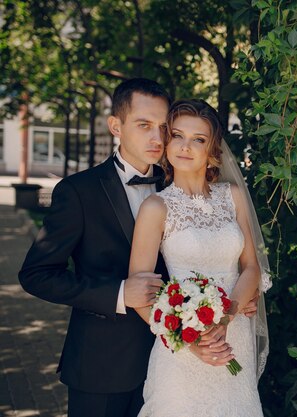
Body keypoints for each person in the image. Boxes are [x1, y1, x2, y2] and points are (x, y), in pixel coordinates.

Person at [18, 79, 259, 417]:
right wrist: (118, 294)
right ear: (115, 125)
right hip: (104, 363)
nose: (157, 138)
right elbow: (36, 275)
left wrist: (238, 299)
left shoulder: (178, 180)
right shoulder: (78, 191)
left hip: (175, 359)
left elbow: (213, 257)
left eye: (165, 128)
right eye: (144, 125)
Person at [128, 99, 271, 417]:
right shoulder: (156, 208)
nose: (185, 146)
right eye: (177, 135)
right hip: (182, 347)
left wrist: (225, 318)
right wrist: (189, 340)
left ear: (212, 150)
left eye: (198, 139)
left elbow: (250, 268)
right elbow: (140, 295)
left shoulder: (231, 196)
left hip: (234, 336)